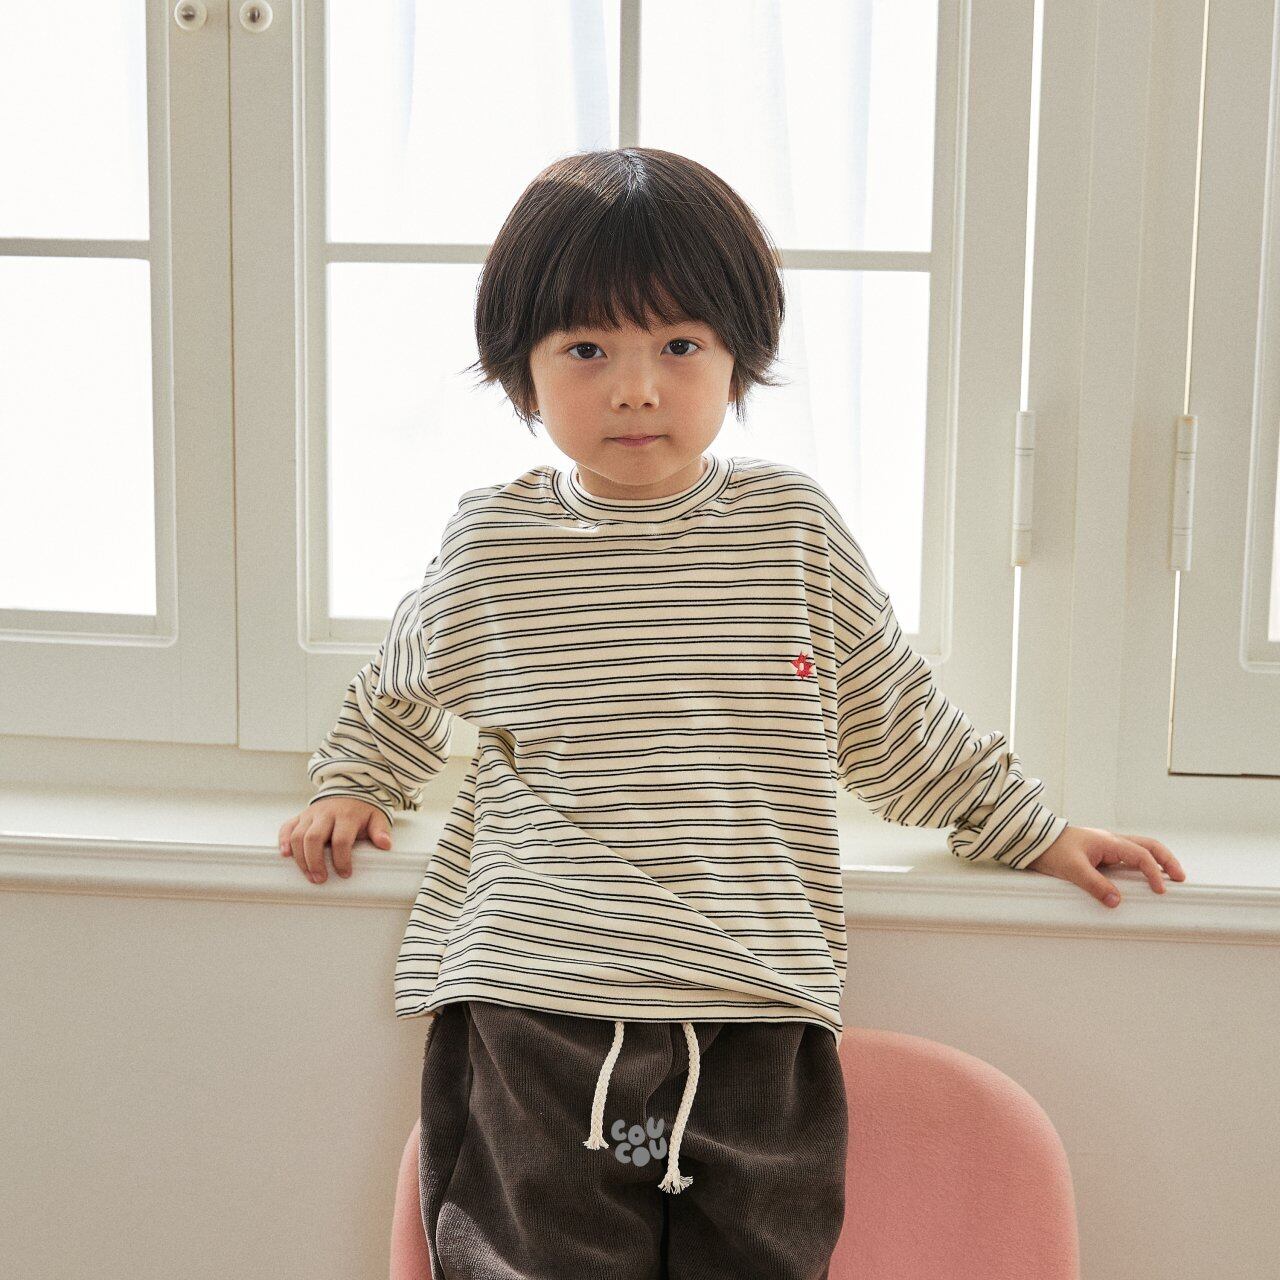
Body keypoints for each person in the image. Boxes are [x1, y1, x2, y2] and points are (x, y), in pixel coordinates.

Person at [277, 147, 1185, 1280]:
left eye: (679, 345)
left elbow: (891, 716)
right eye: (587, 349)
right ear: (523, 373)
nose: (636, 388)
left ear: (737, 359)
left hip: (757, 1004)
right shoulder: (495, 540)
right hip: (539, 1007)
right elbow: (403, 686)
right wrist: (354, 782)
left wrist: (1031, 830)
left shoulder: (789, 529)